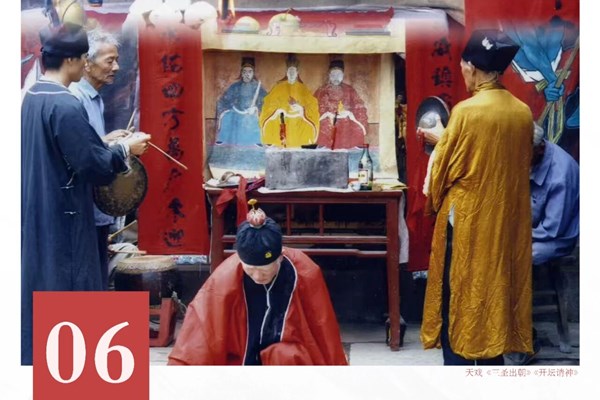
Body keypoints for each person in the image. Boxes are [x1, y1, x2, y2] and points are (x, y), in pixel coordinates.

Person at [21, 23, 150, 365]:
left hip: (40, 211)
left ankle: (37, 366)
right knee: (74, 293)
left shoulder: (32, 97)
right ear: (74, 61)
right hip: (67, 216)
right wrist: (126, 148)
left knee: (40, 291)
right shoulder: (65, 104)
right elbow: (93, 165)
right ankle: (75, 372)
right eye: (83, 59)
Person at [421, 29, 534, 365]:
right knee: (496, 293)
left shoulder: (467, 112)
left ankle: (459, 369)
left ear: (471, 67)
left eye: (462, 66)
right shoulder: (522, 112)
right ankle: (491, 366)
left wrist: (439, 142)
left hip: (467, 221)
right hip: (506, 221)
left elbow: (442, 172)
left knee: (458, 295)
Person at [168, 200, 347, 365]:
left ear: (280, 257)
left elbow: (323, 329)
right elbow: (201, 329)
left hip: (285, 363)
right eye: (250, 269)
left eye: (264, 270)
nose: (257, 276)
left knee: (287, 355)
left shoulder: (304, 271)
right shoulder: (226, 277)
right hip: (240, 359)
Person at [507, 123, 580, 365]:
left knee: (512, 262)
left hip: (556, 237)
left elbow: (553, 228)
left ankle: (523, 337)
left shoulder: (561, 172)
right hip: (531, 229)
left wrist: (514, 239)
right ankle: (503, 328)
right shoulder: (528, 155)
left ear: (538, 149)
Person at [69, 28, 132, 290]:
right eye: (109, 60)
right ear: (87, 63)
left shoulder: (96, 99)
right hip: (82, 207)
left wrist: (106, 140)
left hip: (98, 207)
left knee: (97, 276)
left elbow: (88, 145)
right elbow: (78, 156)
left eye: (116, 60)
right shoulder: (75, 99)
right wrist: (123, 148)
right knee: (86, 280)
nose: (116, 67)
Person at [259, 54, 319, 147]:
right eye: (289, 71)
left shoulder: (303, 88)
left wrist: (301, 109)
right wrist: (278, 110)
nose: (291, 74)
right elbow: (268, 103)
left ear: (297, 73)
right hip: (282, 119)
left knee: (307, 126)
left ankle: (304, 143)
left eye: (293, 72)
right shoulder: (278, 87)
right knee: (274, 123)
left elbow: (312, 105)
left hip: (298, 120)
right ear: (286, 72)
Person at [313, 59, 368, 149]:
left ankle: (353, 145)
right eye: (333, 75)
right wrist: (327, 114)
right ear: (329, 75)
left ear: (343, 75)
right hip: (328, 119)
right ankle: (325, 145)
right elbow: (314, 107)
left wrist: (350, 113)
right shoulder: (321, 91)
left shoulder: (349, 90)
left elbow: (359, 106)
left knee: (355, 125)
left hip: (346, 119)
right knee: (325, 124)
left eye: (339, 75)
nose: (336, 78)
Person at [215, 57, 267, 146]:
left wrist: (256, 108)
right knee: (227, 117)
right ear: (241, 73)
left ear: (253, 73)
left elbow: (266, 101)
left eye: (250, 72)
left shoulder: (257, 87)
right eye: (244, 72)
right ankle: (223, 138)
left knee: (254, 121)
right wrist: (231, 106)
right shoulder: (235, 86)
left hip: (251, 114)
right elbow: (224, 100)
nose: (247, 74)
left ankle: (257, 141)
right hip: (236, 112)